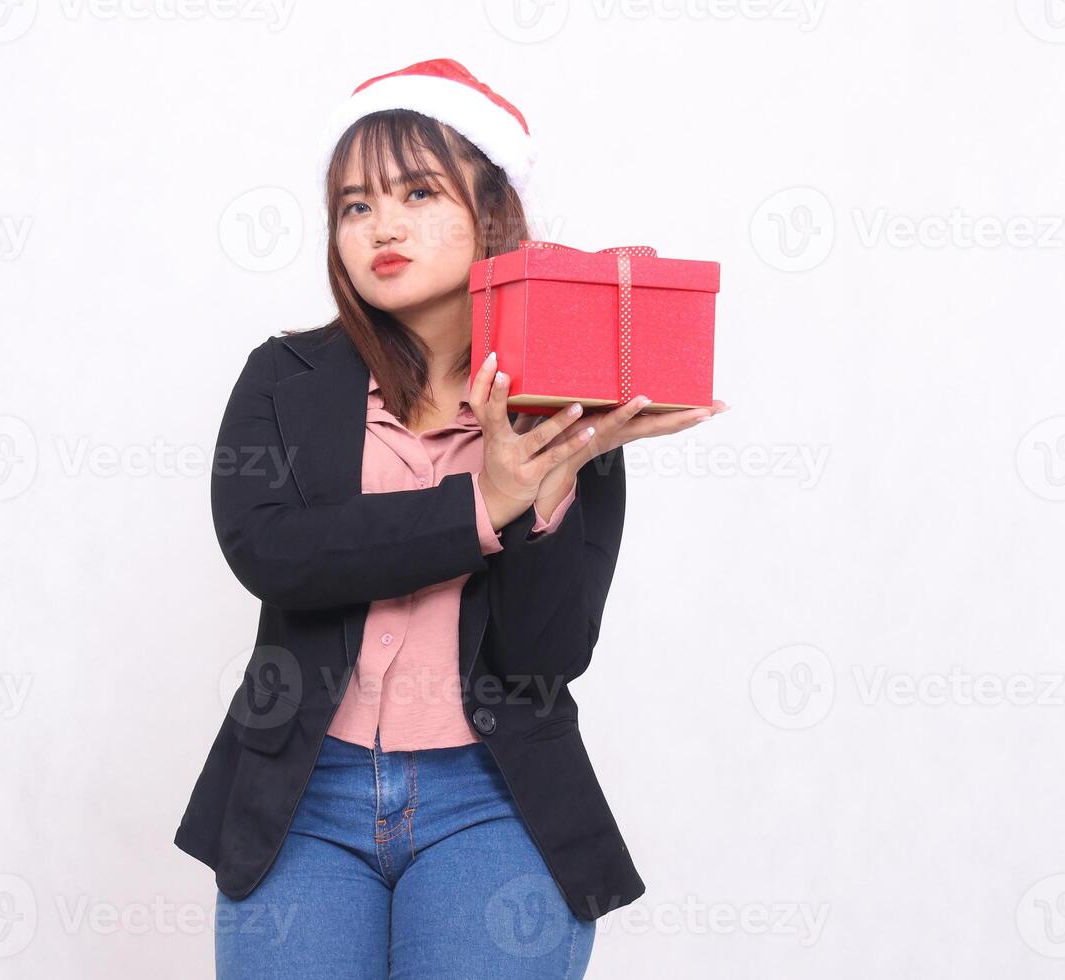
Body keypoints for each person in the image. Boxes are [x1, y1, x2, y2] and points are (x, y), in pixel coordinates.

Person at [175, 58, 728, 979]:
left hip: (495, 803)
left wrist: (552, 482)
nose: (382, 225)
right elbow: (276, 555)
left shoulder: (567, 410)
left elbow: (546, 658)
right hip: (302, 799)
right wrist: (481, 506)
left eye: (419, 192)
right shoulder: (284, 378)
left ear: (493, 212)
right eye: (354, 205)